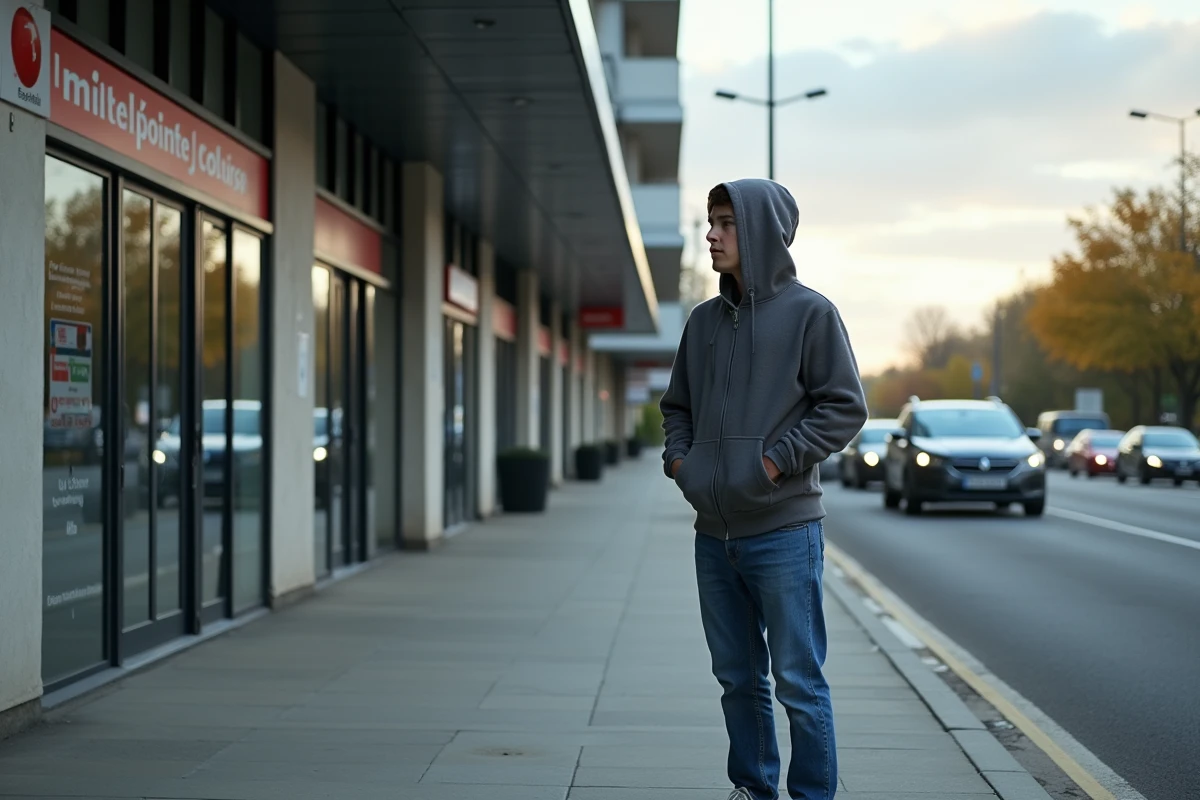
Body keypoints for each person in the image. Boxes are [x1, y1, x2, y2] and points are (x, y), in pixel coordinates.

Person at [660, 179, 868, 800]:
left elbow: (844, 408)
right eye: (710, 221)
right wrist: (681, 463)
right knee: (737, 680)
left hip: (784, 532)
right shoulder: (702, 322)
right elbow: (678, 408)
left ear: (759, 232)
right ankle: (752, 789)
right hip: (714, 535)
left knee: (799, 683)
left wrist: (775, 464)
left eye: (725, 223)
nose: (711, 235)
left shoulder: (811, 314)